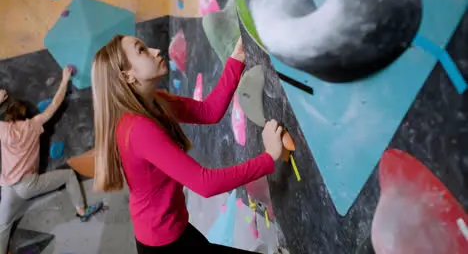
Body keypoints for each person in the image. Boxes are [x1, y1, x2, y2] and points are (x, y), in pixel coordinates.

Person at [91, 35, 284, 253]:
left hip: (174, 229)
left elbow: (208, 111)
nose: (155, 50)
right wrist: (268, 158)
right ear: (128, 76)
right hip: (164, 243)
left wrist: (236, 59)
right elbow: (205, 183)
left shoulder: (156, 102)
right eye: (142, 50)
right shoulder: (138, 129)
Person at [0, 67, 102, 254]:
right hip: (28, 184)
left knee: (3, 226)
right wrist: (64, 79)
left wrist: (0, 99)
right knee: (69, 175)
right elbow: (55, 104)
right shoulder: (34, 124)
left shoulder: (3, 130)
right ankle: (81, 210)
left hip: (7, 187)